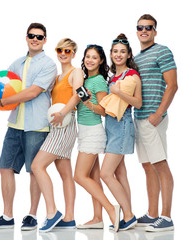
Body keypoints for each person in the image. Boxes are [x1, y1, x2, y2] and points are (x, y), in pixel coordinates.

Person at [0, 23, 57, 230]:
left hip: (37, 125)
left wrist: (1, 103)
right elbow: (3, 88)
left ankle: (31, 215)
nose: (35, 39)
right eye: (32, 35)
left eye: (39, 37)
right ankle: (7, 216)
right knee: (5, 167)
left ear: (45, 41)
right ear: (26, 37)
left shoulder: (49, 64)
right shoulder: (16, 63)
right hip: (15, 124)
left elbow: (33, 92)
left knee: (34, 170)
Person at [31, 38, 83, 233]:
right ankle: (69, 219)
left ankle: (52, 213)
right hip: (56, 125)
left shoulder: (75, 72)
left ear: (73, 54)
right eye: (60, 50)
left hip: (65, 124)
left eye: (67, 51)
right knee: (65, 174)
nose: (63, 53)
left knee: (37, 165)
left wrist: (63, 113)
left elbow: (78, 94)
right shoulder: (58, 76)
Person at [133, 14, 178, 232]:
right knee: (148, 166)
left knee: (160, 164)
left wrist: (159, 114)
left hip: (154, 118)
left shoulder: (162, 51)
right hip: (139, 118)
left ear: (155, 31)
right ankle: (152, 214)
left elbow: (172, 85)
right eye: (140, 27)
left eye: (148, 28)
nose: (144, 31)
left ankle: (166, 217)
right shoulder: (136, 58)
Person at [74, 44, 121, 231]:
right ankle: (97, 218)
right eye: (87, 57)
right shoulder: (85, 80)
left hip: (93, 131)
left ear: (101, 61)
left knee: (79, 176)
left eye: (94, 57)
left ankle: (111, 209)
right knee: (92, 176)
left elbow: (105, 110)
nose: (90, 60)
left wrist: (88, 103)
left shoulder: (99, 81)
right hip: (84, 131)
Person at [99, 34, 142, 231]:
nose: (118, 54)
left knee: (105, 173)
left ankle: (129, 214)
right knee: (119, 172)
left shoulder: (131, 75)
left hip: (122, 125)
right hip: (111, 126)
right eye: (115, 51)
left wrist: (117, 92)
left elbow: (137, 103)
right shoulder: (114, 77)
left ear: (128, 54)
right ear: (110, 54)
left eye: (122, 52)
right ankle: (128, 215)